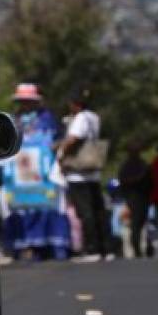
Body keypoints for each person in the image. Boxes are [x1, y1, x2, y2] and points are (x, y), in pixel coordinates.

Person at [0, 83, 71, 261]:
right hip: (19, 176)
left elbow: (58, 141)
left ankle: (52, 246)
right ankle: (23, 245)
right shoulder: (13, 120)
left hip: (43, 174)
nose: (25, 104)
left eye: (29, 101)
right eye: (22, 101)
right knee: (20, 207)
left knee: (48, 205)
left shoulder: (47, 119)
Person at [61, 89, 111, 262]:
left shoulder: (81, 118)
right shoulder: (94, 117)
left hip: (78, 173)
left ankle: (92, 249)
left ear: (76, 104)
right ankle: (105, 247)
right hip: (93, 171)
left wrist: (61, 152)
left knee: (86, 212)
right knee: (98, 210)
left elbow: (74, 138)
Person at [117, 141, 153, 258]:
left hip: (143, 196)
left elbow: (150, 180)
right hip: (132, 197)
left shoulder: (143, 165)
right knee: (136, 224)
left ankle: (143, 247)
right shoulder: (126, 167)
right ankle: (136, 247)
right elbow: (123, 182)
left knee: (142, 221)